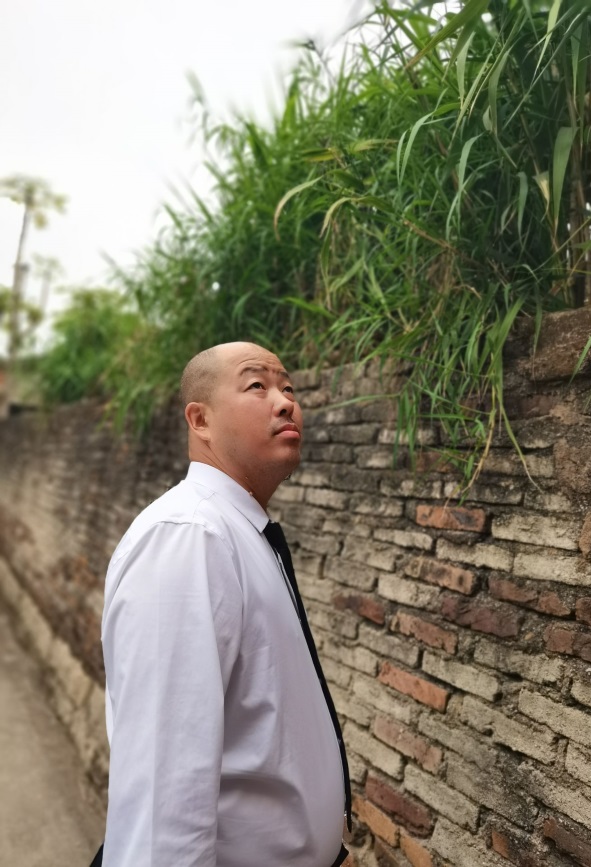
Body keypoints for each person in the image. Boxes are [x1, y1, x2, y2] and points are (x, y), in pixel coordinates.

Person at [97, 342, 351, 867]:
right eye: (257, 385)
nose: (285, 401)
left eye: (288, 387)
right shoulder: (190, 536)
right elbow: (164, 795)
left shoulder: (235, 530)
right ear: (200, 420)